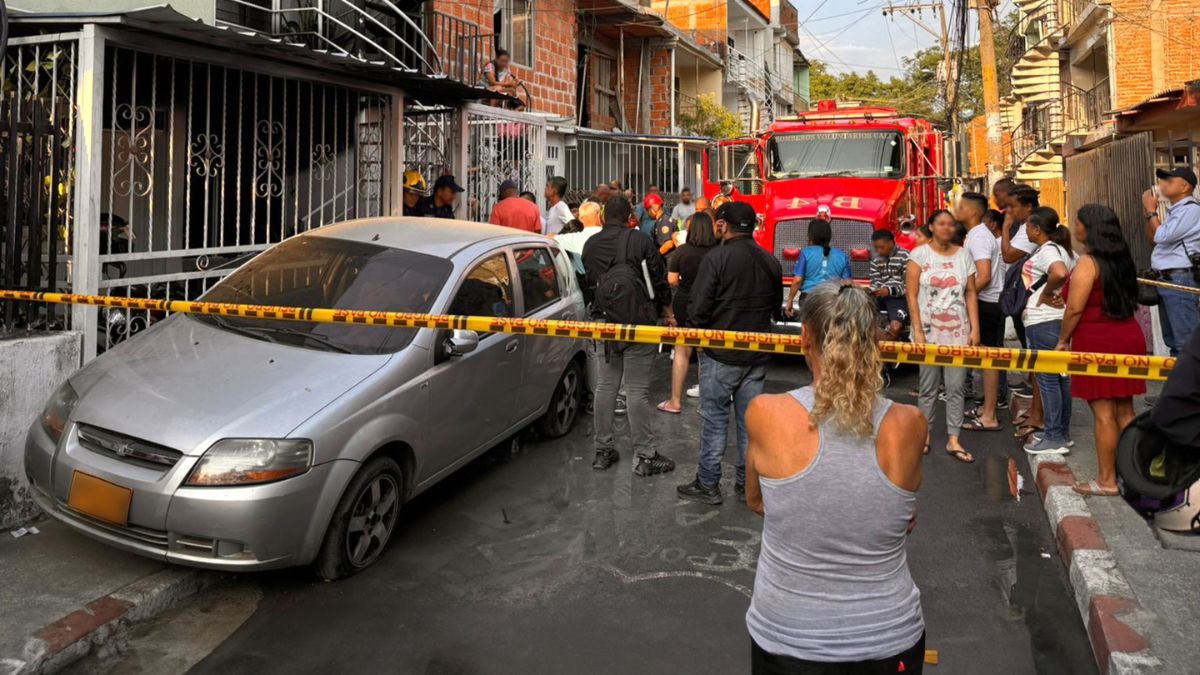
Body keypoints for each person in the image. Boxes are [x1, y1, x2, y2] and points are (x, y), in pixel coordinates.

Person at [744, 282, 926, 675]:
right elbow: (902, 517)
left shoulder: (765, 412)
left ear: (804, 337)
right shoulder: (910, 423)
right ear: (874, 341)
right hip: (888, 637)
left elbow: (757, 501)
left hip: (788, 635)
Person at [678, 203, 784, 505]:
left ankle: (708, 483)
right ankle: (746, 482)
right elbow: (775, 306)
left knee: (714, 420)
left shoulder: (717, 258)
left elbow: (698, 306)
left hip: (721, 354)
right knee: (749, 423)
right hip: (758, 354)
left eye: (716, 223)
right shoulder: (769, 260)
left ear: (723, 225)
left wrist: (699, 340)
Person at [581, 195, 676, 477]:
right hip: (639, 323)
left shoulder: (591, 245)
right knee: (636, 391)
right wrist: (668, 313)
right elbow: (659, 282)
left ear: (602, 217)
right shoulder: (641, 241)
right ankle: (645, 456)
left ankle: (602, 450)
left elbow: (590, 283)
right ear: (629, 218)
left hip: (604, 323)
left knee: (605, 387)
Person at [1056, 204, 1146, 495]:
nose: (1075, 227)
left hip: (1097, 340)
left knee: (1104, 413)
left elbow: (1074, 309)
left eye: (1078, 223)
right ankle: (1132, 476)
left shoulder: (1087, 262)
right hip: (1128, 336)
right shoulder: (1122, 259)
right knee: (1125, 410)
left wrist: (1062, 341)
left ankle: (1106, 481)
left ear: (1089, 228)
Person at [907, 208, 980, 462]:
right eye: (941, 223)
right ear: (931, 226)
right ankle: (924, 435)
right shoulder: (919, 255)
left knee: (956, 387)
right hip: (927, 332)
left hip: (958, 332)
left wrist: (975, 328)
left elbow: (970, 292)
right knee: (927, 388)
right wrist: (917, 330)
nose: (947, 228)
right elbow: (912, 295)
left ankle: (953, 439)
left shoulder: (964, 255)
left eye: (951, 224)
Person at [1020, 210, 1076, 454]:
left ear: (1036, 229)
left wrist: (1044, 294)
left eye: (1027, 226)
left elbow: (1060, 273)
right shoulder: (1064, 249)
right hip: (1056, 319)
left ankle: (1054, 437)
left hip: (1044, 320)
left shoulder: (1049, 251)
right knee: (1061, 377)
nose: (1025, 230)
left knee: (1048, 379)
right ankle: (1060, 432)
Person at [658, 212, 719, 415]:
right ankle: (706, 398)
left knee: (682, 350)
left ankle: (675, 401)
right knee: (706, 351)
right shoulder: (719, 251)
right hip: (711, 303)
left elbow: (672, 280)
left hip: (685, 302)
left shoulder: (681, 252)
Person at [1142, 167, 1200, 356]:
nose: (1162, 184)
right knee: (1173, 340)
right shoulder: (1175, 211)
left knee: (1185, 341)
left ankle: (1190, 384)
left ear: (1184, 186)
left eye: (1169, 180)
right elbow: (1152, 239)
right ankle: (1180, 383)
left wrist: (1152, 211)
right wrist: (1150, 213)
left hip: (1179, 278)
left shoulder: (1191, 210)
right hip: (1168, 279)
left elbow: (1161, 236)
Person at [958, 192, 1003, 432]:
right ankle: (986, 408)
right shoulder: (976, 235)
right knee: (987, 358)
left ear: (973, 211)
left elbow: (984, 276)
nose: (957, 208)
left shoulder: (978, 237)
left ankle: (989, 416)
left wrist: (965, 295)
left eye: (962, 206)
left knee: (989, 360)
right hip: (986, 302)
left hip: (987, 304)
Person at [784, 219, 851, 318]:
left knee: (810, 329)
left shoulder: (806, 253)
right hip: (832, 299)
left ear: (811, 236)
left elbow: (797, 280)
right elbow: (848, 284)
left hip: (808, 299)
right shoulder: (842, 256)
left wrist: (789, 301)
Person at [869, 229, 909, 341]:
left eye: (882, 247)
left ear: (891, 243)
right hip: (879, 297)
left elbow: (908, 286)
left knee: (895, 327)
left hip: (898, 298)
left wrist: (889, 291)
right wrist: (872, 290)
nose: (878, 250)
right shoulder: (875, 259)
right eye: (876, 247)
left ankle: (887, 355)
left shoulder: (905, 256)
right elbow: (875, 281)